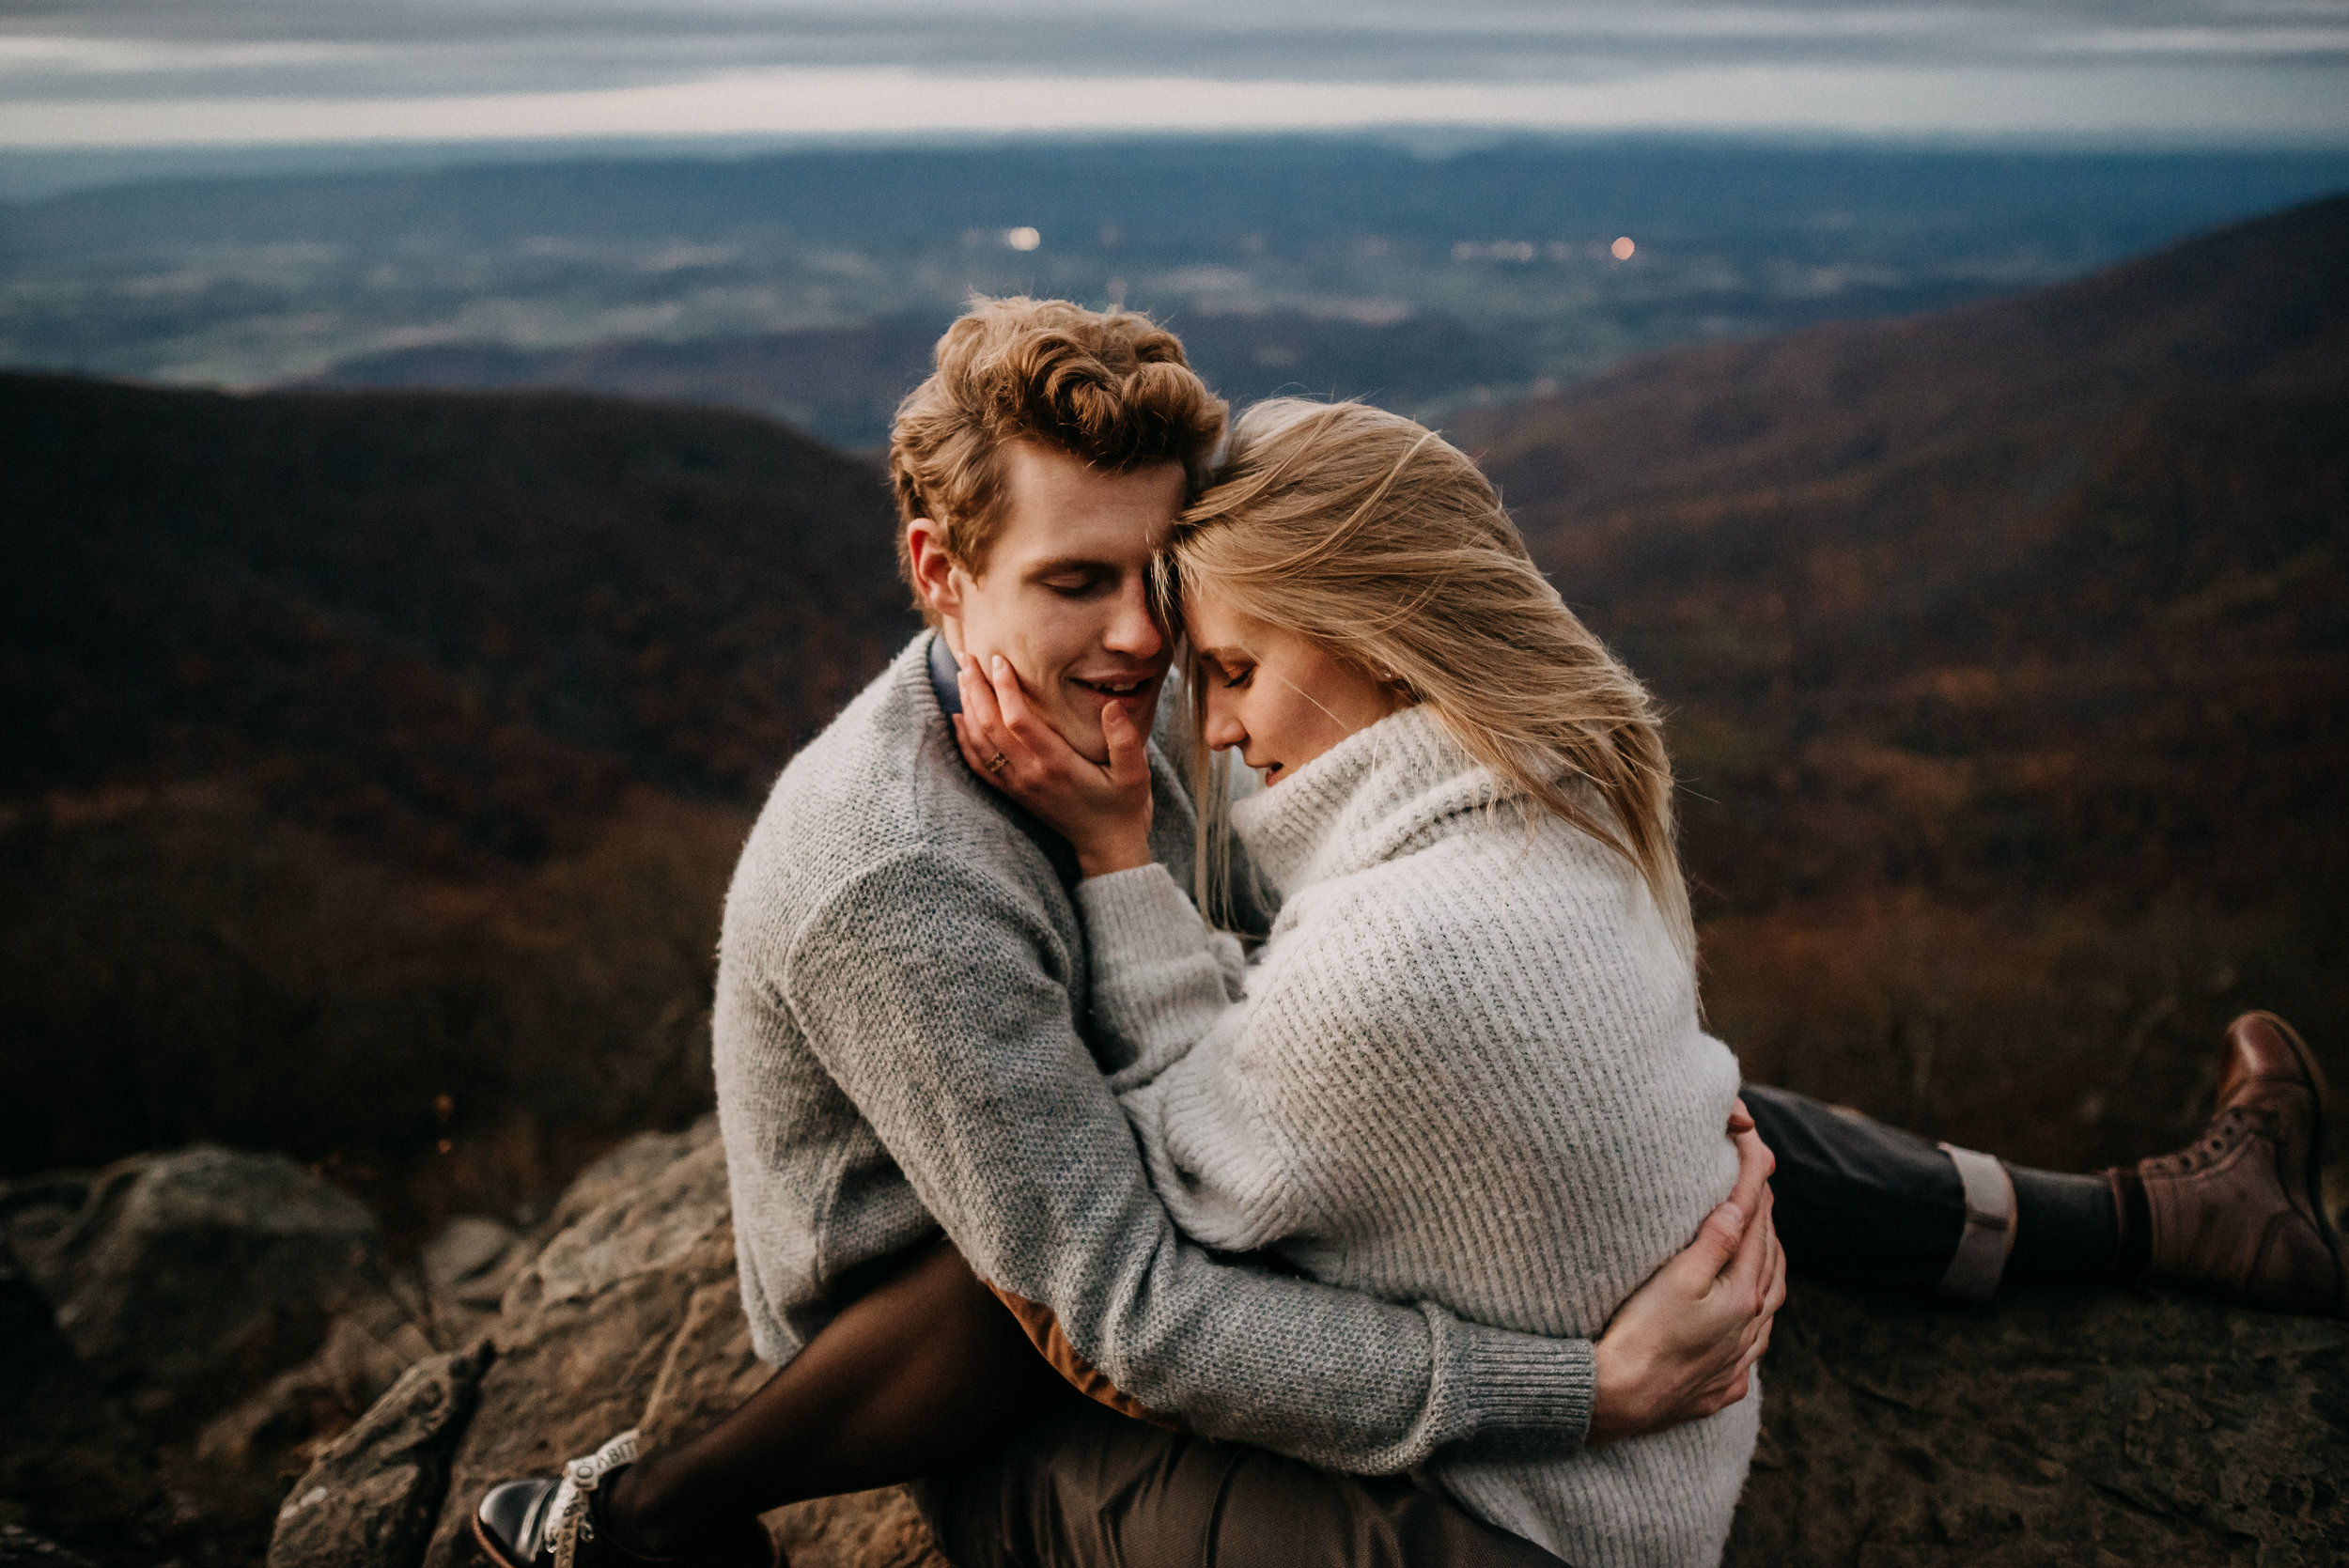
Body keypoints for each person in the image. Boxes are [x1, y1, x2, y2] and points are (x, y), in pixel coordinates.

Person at [474, 298, 2342, 1568]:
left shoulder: (1148, 693)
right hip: (997, 1356)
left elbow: (1365, 1001)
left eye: (1160, 580)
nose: (1137, 641)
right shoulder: (904, 873)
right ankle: (644, 1525)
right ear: (934, 573)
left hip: (1217, 1194)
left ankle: (2166, 1215)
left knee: (1586, 1083)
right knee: (1381, 1133)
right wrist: (1584, 1390)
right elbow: (1113, 1309)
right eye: (1069, 582)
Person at [948, 393, 1765, 1567]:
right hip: (1665, 1479)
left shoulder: (1393, 957)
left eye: (1232, 668)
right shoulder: (1570, 794)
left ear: (1374, 634)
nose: (1216, 727)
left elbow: (1177, 1192)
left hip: (1536, 1525)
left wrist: (1113, 860)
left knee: (1000, 1474)